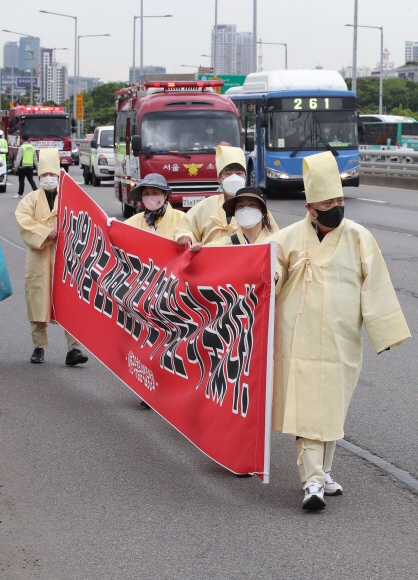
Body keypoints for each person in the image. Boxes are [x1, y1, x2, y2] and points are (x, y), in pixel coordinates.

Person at [268, 151, 410, 511]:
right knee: (308, 409)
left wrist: (384, 329)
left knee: (330, 408)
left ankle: (324, 470)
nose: (337, 206)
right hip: (296, 337)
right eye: (329, 201)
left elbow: (375, 284)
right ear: (310, 206)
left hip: (339, 337)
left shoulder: (358, 237)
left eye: (340, 200)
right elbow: (262, 276)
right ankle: (312, 481)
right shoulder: (285, 239)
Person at [15, 148, 89, 366]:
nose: (48, 179)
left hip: (65, 259)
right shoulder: (30, 200)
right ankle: (38, 347)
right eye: (45, 176)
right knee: (38, 300)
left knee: (69, 302)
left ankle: (74, 347)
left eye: (52, 175)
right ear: (39, 177)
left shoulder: (70, 197)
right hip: (40, 257)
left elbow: (83, 220)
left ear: (59, 176)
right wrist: (45, 232)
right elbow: (22, 220)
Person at [175, 145, 279, 247]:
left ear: (245, 177)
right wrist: (187, 238)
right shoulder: (205, 206)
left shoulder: (255, 207)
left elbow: (275, 238)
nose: (234, 177)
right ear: (219, 178)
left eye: (239, 173)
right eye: (228, 173)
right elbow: (185, 229)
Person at [191, 186, 274, 251]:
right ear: (235, 213)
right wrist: (200, 248)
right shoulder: (224, 245)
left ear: (263, 211)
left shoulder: (276, 242)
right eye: (240, 206)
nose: (245, 210)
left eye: (252, 205)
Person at [125, 173, 183, 240]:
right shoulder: (132, 222)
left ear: (165, 195)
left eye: (155, 192)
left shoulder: (181, 218)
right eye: (146, 193)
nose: (150, 197)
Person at [13, 134, 38, 199]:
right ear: (28, 139)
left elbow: (18, 158)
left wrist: (16, 167)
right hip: (30, 167)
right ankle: (36, 192)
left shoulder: (22, 147)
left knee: (21, 181)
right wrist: (37, 167)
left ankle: (20, 193)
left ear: (22, 139)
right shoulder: (32, 147)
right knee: (31, 180)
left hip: (22, 167)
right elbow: (35, 158)